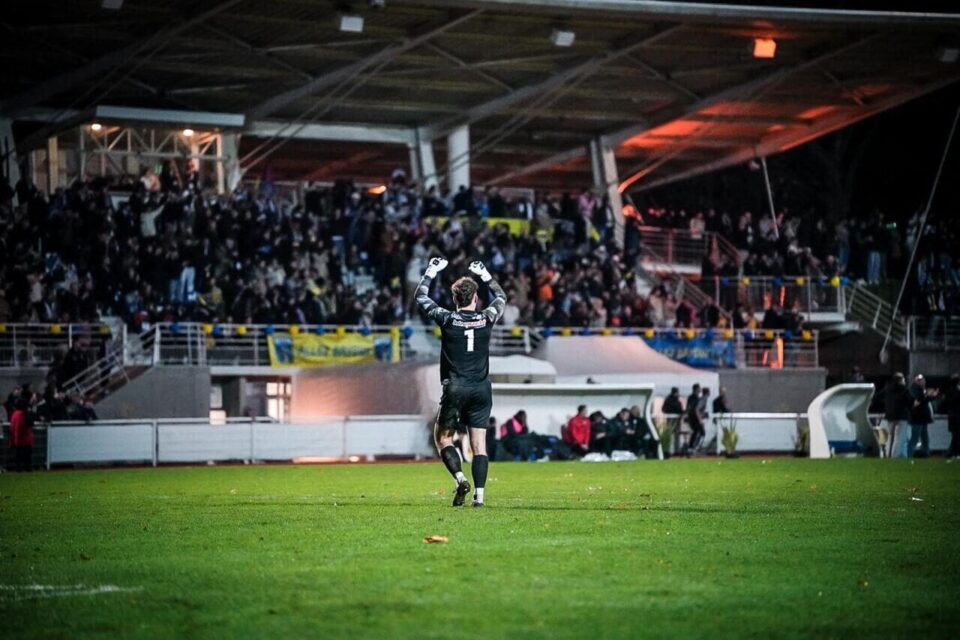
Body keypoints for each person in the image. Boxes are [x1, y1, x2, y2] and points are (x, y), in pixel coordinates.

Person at [417, 257, 505, 507]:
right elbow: (501, 298)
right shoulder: (487, 318)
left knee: (443, 438)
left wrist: (431, 272)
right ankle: (480, 497)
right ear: (475, 298)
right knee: (479, 445)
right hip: (481, 388)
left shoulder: (446, 319)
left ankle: (459, 480)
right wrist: (486, 275)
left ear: (456, 300)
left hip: (456, 387)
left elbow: (421, 297)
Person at [907, 374, 937, 458]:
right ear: (916, 381)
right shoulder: (914, 389)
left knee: (924, 438)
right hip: (917, 418)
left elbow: (923, 400)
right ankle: (909, 455)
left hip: (922, 418)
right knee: (915, 438)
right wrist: (929, 395)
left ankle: (925, 454)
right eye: (920, 380)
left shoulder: (920, 389)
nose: (922, 381)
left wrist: (931, 396)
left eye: (923, 380)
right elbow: (919, 400)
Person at [883, 372, 912, 458]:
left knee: (889, 437)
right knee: (899, 438)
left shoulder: (887, 389)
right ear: (901, 380)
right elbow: (910, 402)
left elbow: (876, 396)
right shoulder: (904, 389)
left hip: (890, 416)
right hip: (901, 416)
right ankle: (895, 456)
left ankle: (887, 454)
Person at [9, 398, 34, 472]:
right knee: (27, 456)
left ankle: (19, 469)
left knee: (18, 456)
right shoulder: (23, 413)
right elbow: (26, 425)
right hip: (24, 439)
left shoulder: (15, 414)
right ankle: (27, 469)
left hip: (18, 439)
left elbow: (13, 427)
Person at [941, 374, 960, 458]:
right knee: (957, 437)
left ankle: (952, 453)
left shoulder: (948, 392)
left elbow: (944, 403)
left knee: (955, 436)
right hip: (957, 417)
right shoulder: (958, 392)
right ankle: (953, 453)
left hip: (951, 416)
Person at [686, 384, 704, 454]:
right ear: (696, 389)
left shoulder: (690, 397)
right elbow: (696, 409)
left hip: (691, 417)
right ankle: (694, 447)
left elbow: (688, 408)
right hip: (695, 418)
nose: (700, 390)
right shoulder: (696, 398)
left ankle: (691, 447)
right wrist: (700, 419)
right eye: (699, 388)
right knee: (701, 432)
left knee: (695, 432)